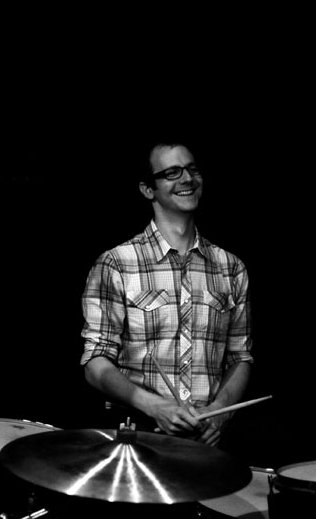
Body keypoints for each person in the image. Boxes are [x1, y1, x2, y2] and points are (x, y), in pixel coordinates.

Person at [80, 140, 252, 447]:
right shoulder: (117, 263)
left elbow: (240, 357)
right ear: (148, 190)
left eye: (192, 169)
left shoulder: (231, 267)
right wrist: (154, 406)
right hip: (138, 437)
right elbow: (95, 363)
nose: (187, 179)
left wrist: (219, 413)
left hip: (206, 446)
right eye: (172, 172)